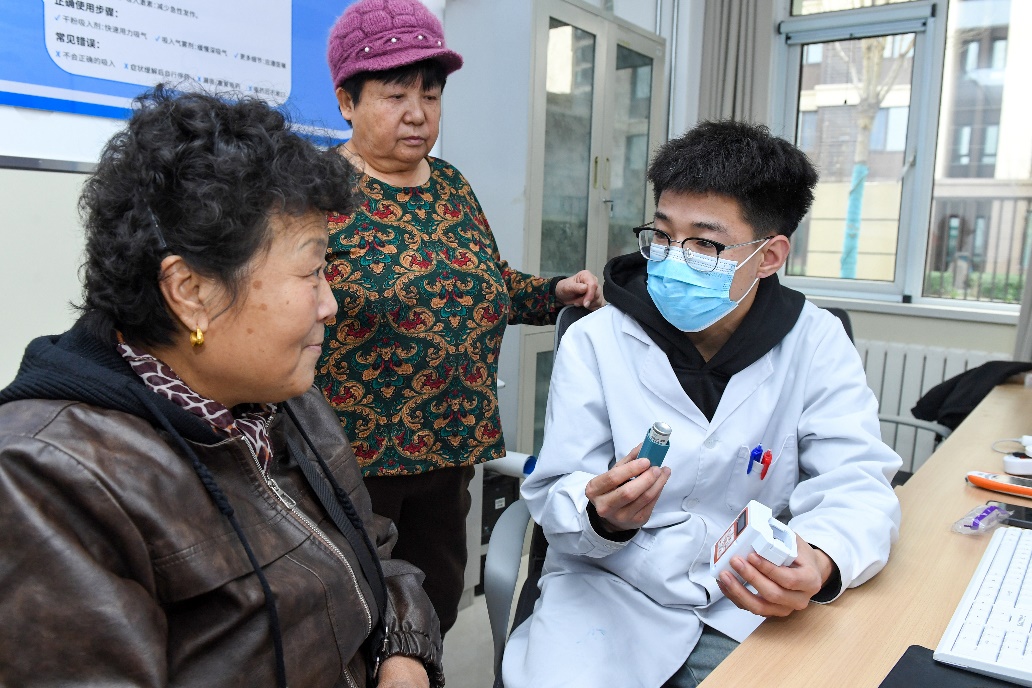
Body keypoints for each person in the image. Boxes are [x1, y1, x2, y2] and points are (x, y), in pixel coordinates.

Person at [0, 86, 443, 688]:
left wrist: (403, 657)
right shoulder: (48, 481)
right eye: (311, 272)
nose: (330, 305)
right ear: (191, 292)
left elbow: (372, 553)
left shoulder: (282, 397)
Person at [501, 120, 902, 688]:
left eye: (706, 245)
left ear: (769, 256)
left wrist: (822, 556)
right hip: (611, 589)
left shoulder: (814, 341)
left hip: (749, 596)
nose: (672, 260)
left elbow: (856, 481)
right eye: (663, 236)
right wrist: (602, 515)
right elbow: (558, 484)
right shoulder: (597, 339)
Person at [319, 0, 603, 635]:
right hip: (353, 460)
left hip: (450, 450)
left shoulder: (450, 185)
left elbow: (484, 286)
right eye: (395, 95)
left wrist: (555, 291)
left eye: (431, 94)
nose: (418, 113)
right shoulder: (315, 190)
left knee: (434, 607)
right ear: (346, 102)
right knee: (356, 618)